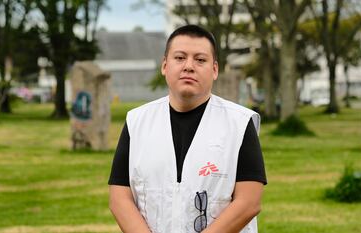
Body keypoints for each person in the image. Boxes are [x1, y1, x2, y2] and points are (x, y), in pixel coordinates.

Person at [108, 25, 267, 233]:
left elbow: (249, 202)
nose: (189, 66)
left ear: (215, 69)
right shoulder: (137, 121)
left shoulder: (239, 122)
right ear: (165, 66)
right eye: (180, 58)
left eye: (200, 60)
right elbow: (119, 197)